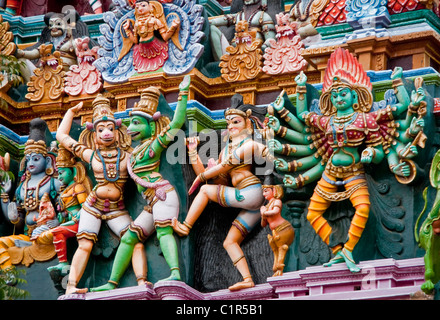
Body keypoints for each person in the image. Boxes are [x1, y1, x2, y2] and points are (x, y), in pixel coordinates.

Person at [91, 76, 190, 292]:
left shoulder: (154, 145)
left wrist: (183, 94)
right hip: (151, 202)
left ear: (151, 125)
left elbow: (176, 123)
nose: (130, 128)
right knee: (129, 238)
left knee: (164, 233)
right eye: (129, 123)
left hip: (162, 195)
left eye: (136, 123)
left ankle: (175, 274)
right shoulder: (134, 151)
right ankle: (111, 282)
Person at [172, 93, 272, 291]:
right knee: (230, 241)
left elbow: (219, 170)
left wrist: (204, 178)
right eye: (228, 123)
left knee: (207, 190)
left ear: (247, 124)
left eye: (236, 122)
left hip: (251, 193)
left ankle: (186, 227)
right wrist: (193, 152)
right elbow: (211, 176)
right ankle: (247, 279)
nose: (231, 126)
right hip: (249, 204)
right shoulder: (226, 150)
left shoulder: (249, 145)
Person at [56, 94, 132, 294]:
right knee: (85, 245)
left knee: (134, 239)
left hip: (117, 208)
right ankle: (71, 286)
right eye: (101, 129)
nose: (106, 133)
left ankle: (141, 282)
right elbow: (61, 137)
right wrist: (71, 113)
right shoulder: (91, 155)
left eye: (110, 128)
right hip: (92, 205)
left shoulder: (128, 157)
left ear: (117, 131)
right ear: (94, 134)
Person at [260, 184, 294, 277]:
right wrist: (263, 216)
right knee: (276, 250)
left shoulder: (277, 201)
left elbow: (275, 211)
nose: (264, 194)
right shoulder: (266, 206)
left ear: (274, 190)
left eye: (266, 191)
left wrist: (264, 213)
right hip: (275, 231)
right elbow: (263, 224)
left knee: (281, 248)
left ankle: (279, 269)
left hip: (284, 228)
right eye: (263, 191)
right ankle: (276, 270)